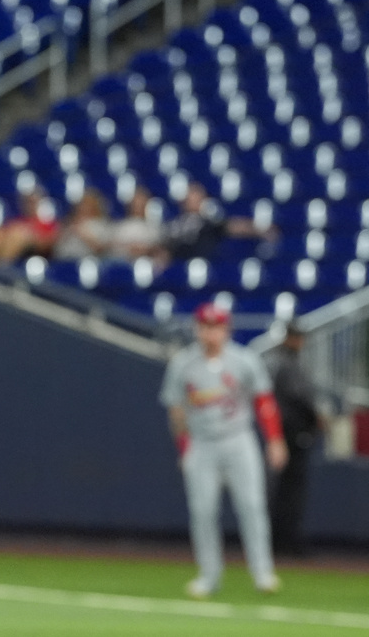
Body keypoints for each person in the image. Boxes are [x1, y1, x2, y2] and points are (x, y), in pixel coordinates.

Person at [159, 302, 288, 599]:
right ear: (197, 329)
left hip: (238, 439)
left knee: (252, 506)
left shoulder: (244, 360)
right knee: (203, 511)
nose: (210, 333)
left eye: (216, 327)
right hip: (202, 443)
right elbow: (177, 410)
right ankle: (209, 576)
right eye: (205, 327)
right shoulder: (183, 363)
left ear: (226, 329)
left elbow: (264, 401)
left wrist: (274, 439)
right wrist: (184, 448)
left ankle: (262, 572)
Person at [266, 322, 322, 557]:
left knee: (287, 489)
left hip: (288, 432)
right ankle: (285, 541)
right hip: (291, 433)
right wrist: (316, 416)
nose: (300, 341)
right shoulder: (286, 362)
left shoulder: (286, 361)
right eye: (296, 337)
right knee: (290, 490)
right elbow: (299, 397)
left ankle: (282, 539)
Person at [156, 181, 274, 265]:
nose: (190, 200)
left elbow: (233, 226)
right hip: (179, 266)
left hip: (205, 263)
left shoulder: (209, 221)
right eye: (189, 196)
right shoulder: (175, 223)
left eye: (195, 196)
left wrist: (259, 229)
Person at [0, 185, 60, 263]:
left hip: (34, 253)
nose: (29, 205)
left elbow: (48, 243)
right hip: (11, 246)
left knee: (17, 236)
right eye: (26, 201)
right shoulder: (19, 219)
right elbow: (4, 233)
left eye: (32, 201)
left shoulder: (46, 222)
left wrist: (30, 236)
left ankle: (0, 269)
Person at [51, 187, 112, 261]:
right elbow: (54, 246)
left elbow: (102, 249)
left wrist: (82, 233)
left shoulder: (101, 224)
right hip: (63, 260)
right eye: (82, 205)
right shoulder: (69, 223)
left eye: (87, 205)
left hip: (89, 261)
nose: (83, 208)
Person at [106, 186, 162, 262]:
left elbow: (157, 246)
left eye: (142, 203)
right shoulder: (122, 227)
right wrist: (129, 248)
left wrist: (144, 249)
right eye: (136, 203)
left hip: (148, 262)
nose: (139, 207)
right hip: (124, 262)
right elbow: (112, 246)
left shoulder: (154, 227)